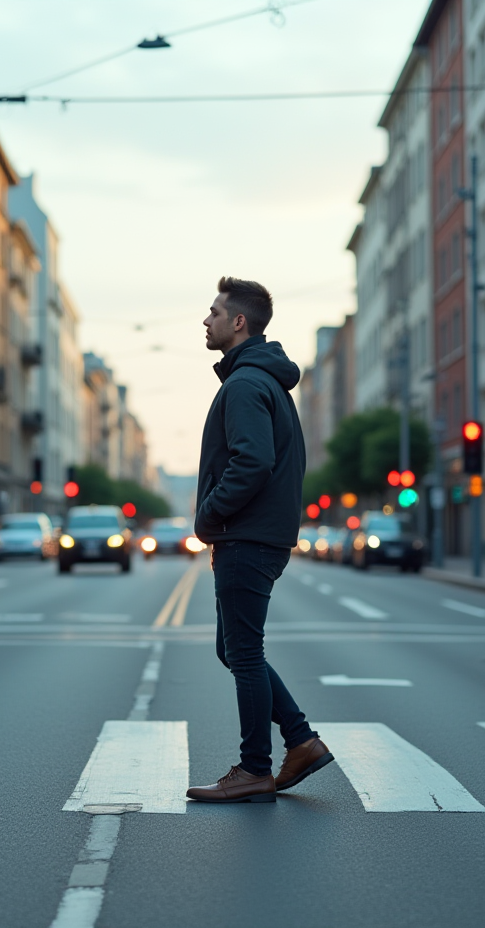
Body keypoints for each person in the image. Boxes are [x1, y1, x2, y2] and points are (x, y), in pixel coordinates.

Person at [186, 276, 331, 805]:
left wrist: (209, 515)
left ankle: (254, 768)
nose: (206, 320)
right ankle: (301, 742)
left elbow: (253, 462)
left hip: (248, 536)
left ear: (238, 322)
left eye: (214, 312)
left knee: (243, 652)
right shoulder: (261, 380)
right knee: (234, 648)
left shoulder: (246, 384)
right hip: (255, 536)